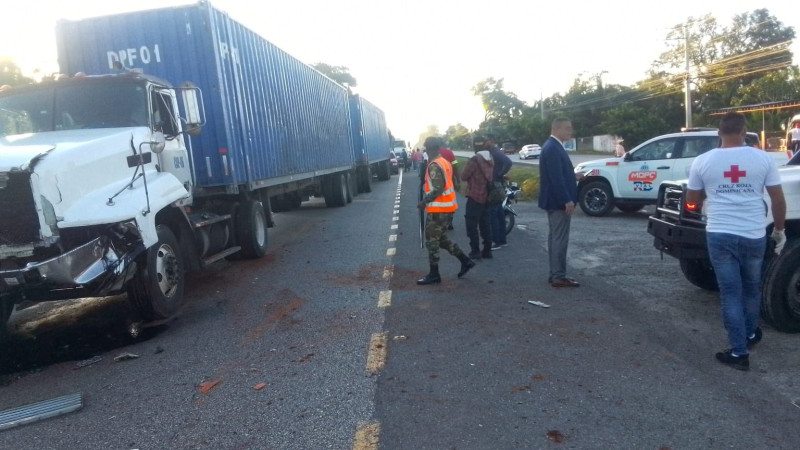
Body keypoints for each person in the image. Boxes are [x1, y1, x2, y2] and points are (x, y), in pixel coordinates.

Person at [685, 112, 786, 371]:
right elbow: (777, 199)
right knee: (752, 289)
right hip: (754, 234)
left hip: (720, 234)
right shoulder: (762, 158)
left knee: (731, 292)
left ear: (719, 134)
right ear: (744, 133)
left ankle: (739, 352)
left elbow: (691, 200)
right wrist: (779, 230)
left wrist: (701, 202)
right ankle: (750, 334)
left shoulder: (703, 161)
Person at [416, 136, 475, 285]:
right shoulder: (445, 162)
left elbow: (438, 188)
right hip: (447, 208)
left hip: (438, 209)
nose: (426, 152)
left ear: (431, 149)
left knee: (432, 241)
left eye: (427, 149)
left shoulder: (435, 165)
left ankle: (434, 274)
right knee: (442, 239)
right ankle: (465, 261)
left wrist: (424, 202)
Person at [538, 117, 584, 288]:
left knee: (555, 238)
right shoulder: (552, 148)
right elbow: (555, 178)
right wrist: (567, 200)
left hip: (554, 200)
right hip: (558, 202)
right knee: (559, 239)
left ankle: (555, 274)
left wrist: (574, 177)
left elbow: (558, 173)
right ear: (556, 129)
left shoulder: (554, 146)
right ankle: (558, 276)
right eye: (567, 128)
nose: (570, 131)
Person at [460, 135, 495, 259]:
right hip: (487, 195)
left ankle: (475, 250)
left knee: (471, 224)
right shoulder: (490, 158)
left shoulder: (474, 160)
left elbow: (464, 176)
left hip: (475, 196)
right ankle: (487, 250)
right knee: (485, 224)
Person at [484, 134, 512, 249]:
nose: (484, 143)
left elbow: (508, 162)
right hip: (498, 185)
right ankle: (502, 240)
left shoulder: (495, 152)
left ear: (491, 141)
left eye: (485, 141)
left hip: (495, 186)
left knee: (493, 214)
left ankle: (496, 242)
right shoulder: (493, 152)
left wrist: (499, 174)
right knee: (499, 213)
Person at [438, 146, 460, 230]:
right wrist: (458, 180)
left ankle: (441, 222)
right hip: (450, 182)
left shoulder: (434, 153)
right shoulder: (449, 152)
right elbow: (455, 166)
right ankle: (449, 222)